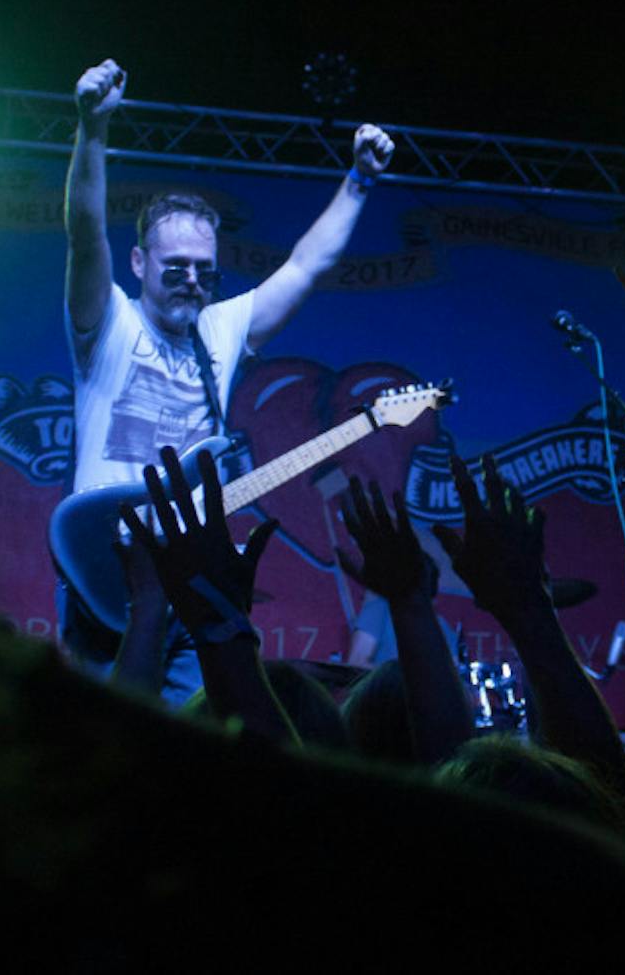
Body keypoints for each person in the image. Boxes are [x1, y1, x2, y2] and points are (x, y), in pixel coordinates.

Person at [61, 57, 394, 700]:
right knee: (107, 741)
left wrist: (358, 181)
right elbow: (83, 232)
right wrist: (92, 130)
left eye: (204, 269)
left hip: (195, 573)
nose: (192, 280)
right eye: (175, 266)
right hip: (111, 569)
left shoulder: (221, 329)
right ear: (138, 262)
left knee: (200, 747)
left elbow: (306, 266)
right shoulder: (107, 321)